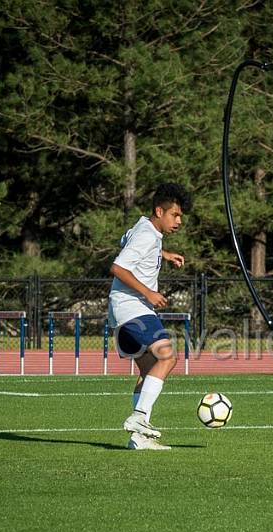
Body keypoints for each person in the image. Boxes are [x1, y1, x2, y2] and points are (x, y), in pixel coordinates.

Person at [108, 184, 191, 450]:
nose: (178, 221)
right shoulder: (146, 234)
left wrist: (163, 255)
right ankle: (139, 417)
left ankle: (138, 439)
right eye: (174, 215)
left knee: (147, 370)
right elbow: (118, 267)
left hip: (121, 311)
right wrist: (149, 293)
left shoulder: (143, 229)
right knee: (168, 356)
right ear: (159, 211)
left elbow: (126, 243)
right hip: (133, 307)